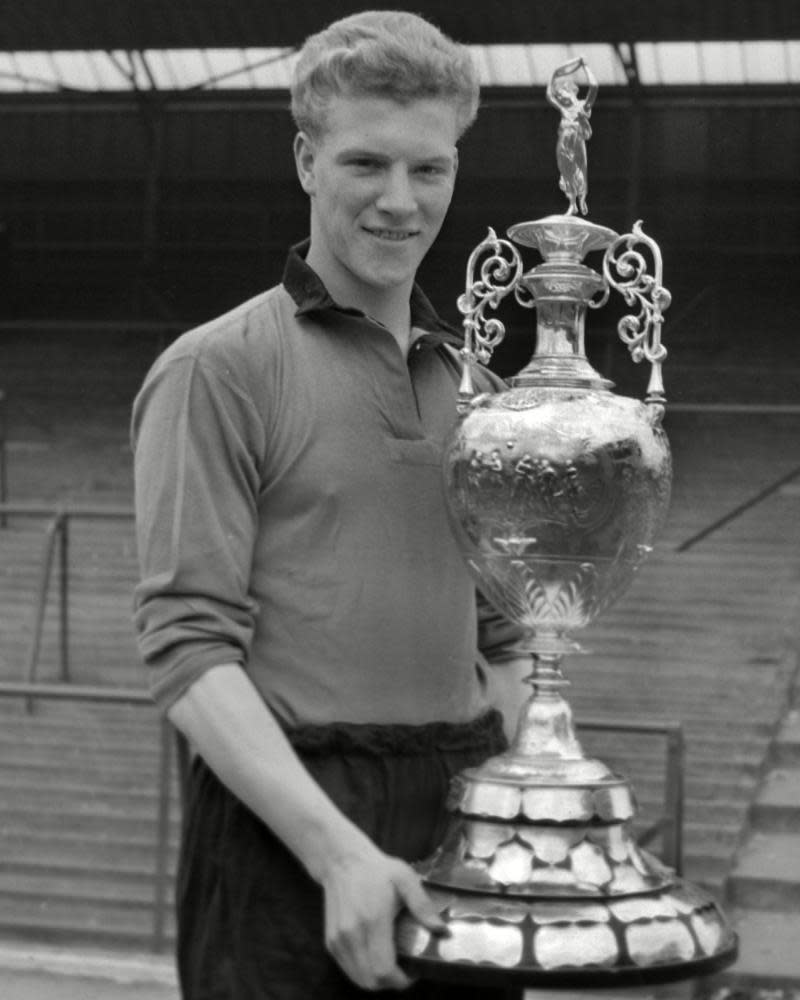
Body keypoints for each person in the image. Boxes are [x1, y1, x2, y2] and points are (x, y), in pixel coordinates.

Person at [132, 11, 529, 999]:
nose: (401, 201)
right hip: (282, 827)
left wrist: (510, 796)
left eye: (429, 170)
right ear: (306, 159)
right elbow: (187, 649)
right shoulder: (216, 369)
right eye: (365, 164)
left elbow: (510, 638)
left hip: (460, 820)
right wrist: (336, 852)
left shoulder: (481, 390)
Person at [546, 56, 598, 216]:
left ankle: (582, 198)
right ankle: (572, 203)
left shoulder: (582, 106)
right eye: (559, 94)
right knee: (565, 168)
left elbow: (594, 86)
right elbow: (550, 92)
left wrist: (585, 65)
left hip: (577, 137)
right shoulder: (562, 108)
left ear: (571, 93)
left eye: (563, 92)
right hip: (565, 137)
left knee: (582, 169)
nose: (560, 96)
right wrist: (557, 73)